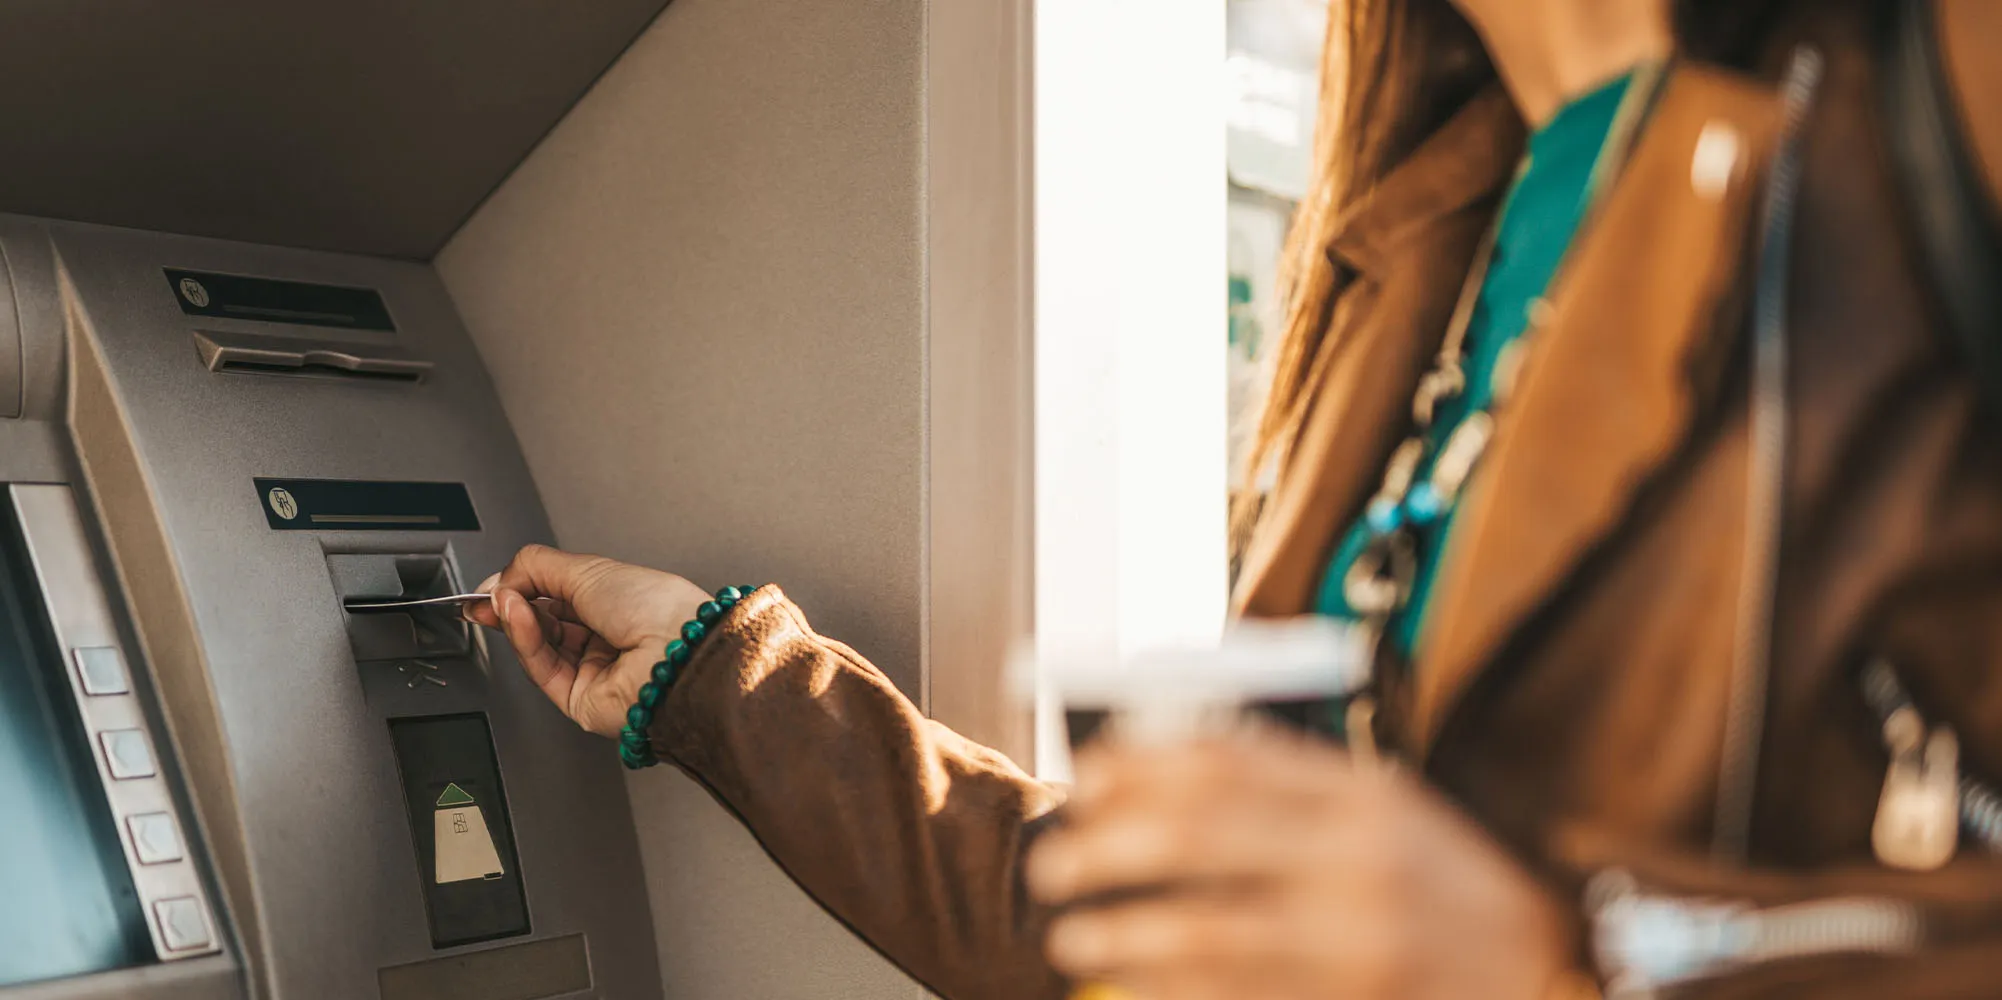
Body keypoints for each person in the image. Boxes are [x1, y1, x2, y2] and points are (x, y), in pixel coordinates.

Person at [469, 0, 2002, 996]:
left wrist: (1572, 969)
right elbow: (1201, 939)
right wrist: (721, 679)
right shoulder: (1429, 222)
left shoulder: (1935, 119)